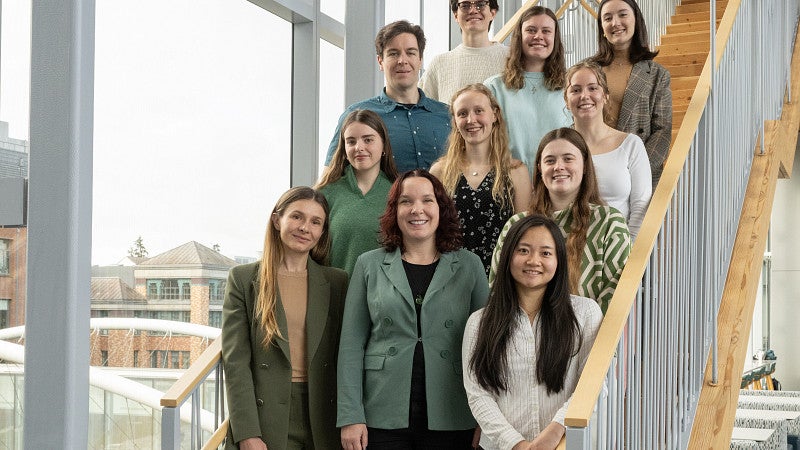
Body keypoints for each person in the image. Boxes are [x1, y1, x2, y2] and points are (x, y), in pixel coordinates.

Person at [338, 170, 490, 450]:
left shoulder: (470, 265)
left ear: (440, 209)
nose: (416, 209)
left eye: (427, 200)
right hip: (380, 413)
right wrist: (350, 416)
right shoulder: (368, 265)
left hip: (454, 411)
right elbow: (351, 345)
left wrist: (487, 418)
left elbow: (487, 347)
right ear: (394, 211)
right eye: (406, 201)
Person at [222, 186, 349, 450]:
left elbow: (347, 355)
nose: (305, 227)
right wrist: (247, 432)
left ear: (322, 232)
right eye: (297, 217)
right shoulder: (244, 279)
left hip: (323, 412)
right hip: (266, 415)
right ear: (277, 219)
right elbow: (236, 363)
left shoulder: (336, 282)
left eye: (316, 222)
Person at [464, 214, 602, 450]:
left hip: (567, 445)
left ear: (559, 260)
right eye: (524, 250)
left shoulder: (586, 314)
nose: (534, 260)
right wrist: (517, 445)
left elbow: (594, 385)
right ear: (508, 257)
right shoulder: (479, 322)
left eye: (546, 253)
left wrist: (553, 434)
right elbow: (479, 395)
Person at [489, 128, 630, 314]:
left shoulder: (609, 222)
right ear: (539, 168)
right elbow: (497, 291)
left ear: (585, 165)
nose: (558, 166)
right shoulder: (516, 225)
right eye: (550, 160)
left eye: (568, 158)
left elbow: (614, 298)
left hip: (588, 338)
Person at [325, 20, 451, 173]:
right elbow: (330, 178)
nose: (402, 60)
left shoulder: (447, 115)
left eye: (410, 53)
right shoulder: (356, 115)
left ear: (420, 60)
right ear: (380, 61)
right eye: (393, 53)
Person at [430, 83, 531, 274]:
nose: (471, 120)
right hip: (450, 274)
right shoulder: (440, 172)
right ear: (455, 121)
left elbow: (522, 235)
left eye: (479, 111)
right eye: (462, 113)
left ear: (494, 115)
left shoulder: (516, 171)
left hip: (500, 275)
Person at [590, 0, 672, 190]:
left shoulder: (657, 74)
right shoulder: (587, 70)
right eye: (607, 18)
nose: (615, 22)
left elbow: (662, 131)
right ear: (602, 27)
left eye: (623, 14)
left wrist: (637, 170)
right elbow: (573, 121)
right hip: (593, 173)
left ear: (636, 20)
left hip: (639, 175)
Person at [565, 61, 651, 240]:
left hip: (618, 250)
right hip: (568, 249)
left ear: (605, 96)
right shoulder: (558, 146)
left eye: (592, 88)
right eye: (576, 90)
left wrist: (628, 254)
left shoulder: (631, 144)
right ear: (566, 100)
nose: (584, 96)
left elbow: (640, 206)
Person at [484, 6, 572, 178]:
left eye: (546, 31)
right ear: (519, 36)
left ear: (555, 38)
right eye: (531, 30)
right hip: (510, 183)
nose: (538, 36)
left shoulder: (570, 87)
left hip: (558, 183)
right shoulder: (494, 88)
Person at [316, 109, 399, 275]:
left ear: (383, 145)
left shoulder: (400, 194)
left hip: (385, 297)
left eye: (368, 140)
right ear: (344, 149)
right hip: (336, 295)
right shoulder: (325, 193)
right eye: (351, 141)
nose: (359, 147)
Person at [420, 0, 508, 103]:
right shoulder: (439, 64)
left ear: (492, 13)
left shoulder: (511, 58)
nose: (473, 10)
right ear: (456, 15)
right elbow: (419, 107)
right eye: (465, 5)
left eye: (480, 4)